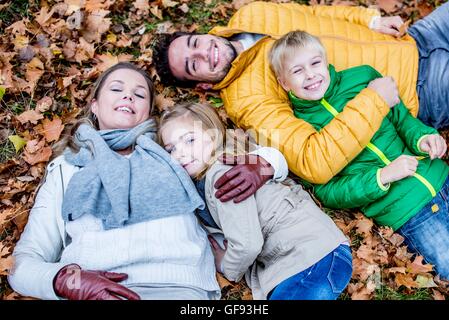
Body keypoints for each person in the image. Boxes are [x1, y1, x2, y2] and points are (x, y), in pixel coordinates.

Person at [7, 62, 284, 300]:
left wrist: (265, 164)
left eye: (139, 94)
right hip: (96, 290)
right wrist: (65, 281)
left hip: (180, 288)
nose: (128, 96)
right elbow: (24, 263)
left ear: (148, 111)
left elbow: (235, 149)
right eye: (116, 89)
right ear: (95, 105)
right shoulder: (67, 168)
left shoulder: (174, 153)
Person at [153, 1, 449, 188]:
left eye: (195, 43)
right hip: (416, 87)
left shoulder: (250, 14)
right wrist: (375, 100)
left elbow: (312, 14)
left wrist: (367, 20)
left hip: (416, 36)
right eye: (195, 64)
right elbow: (313, 160)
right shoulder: (246, 102)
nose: (206, 52)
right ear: (202, 86)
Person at [269, 30, 449, 279]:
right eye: (297, 71)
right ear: (284, 83)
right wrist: (381, 177)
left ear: (325, 59)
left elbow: (402, 119)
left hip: (440, 175)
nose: (311, 75)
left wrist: (424, 138)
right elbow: (328, 192)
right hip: (409, 211)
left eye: (315, 63)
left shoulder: (362, 78)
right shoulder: (300, 129)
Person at [159, 102, 353, 300]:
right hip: (309, 258)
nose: (180, 153)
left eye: (190, 140)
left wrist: (227, 265)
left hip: (310, 256)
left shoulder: (223, 175)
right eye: (171, 149)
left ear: (213, 134)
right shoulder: (211, 175)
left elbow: (247, 244)